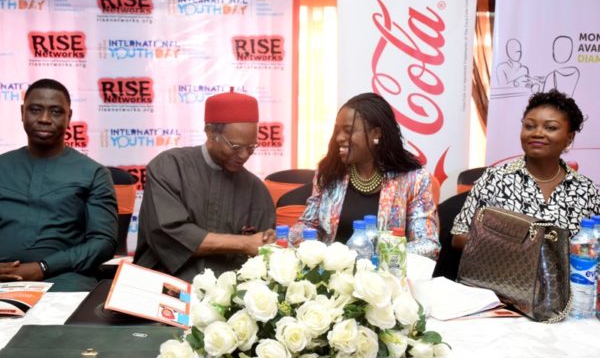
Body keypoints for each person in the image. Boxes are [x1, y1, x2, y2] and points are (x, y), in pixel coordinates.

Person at [134, 91, 276, 281]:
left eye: (251, 147)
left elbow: (262, 251)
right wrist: (244, 243)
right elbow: (169, 233)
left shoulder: (256, 189)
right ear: (210, 132)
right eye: (235, 147)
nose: (244, 155)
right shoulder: (169, 167)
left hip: (230, 295)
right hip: (166, 285)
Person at [289, 92, 440, 259]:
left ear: (376, 134)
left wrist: (372, 257)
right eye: (337, 131)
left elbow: (428, 244)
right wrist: (285, 238)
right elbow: (309, 224)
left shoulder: (413, 179)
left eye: (348, 131)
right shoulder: (330, 173)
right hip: (332, 277)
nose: (339, 138)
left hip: (385, 279)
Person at [0, 78, 118, 291]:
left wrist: (42, 267)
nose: (45, 119)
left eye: (55, 111)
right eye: (35, 110)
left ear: (69, 116)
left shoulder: (94, 173)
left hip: (65, 279)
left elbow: (103, 242)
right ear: (22, 113)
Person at [452, 89, 600, 249]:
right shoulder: (494, 179)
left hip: (567, 275)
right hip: (502, 272)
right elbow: (459, 237)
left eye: (550, 128)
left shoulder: (587, 191)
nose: (537, 133)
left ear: (569, 138)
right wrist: (514, 249)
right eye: (529, 126)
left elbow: (593, 249)